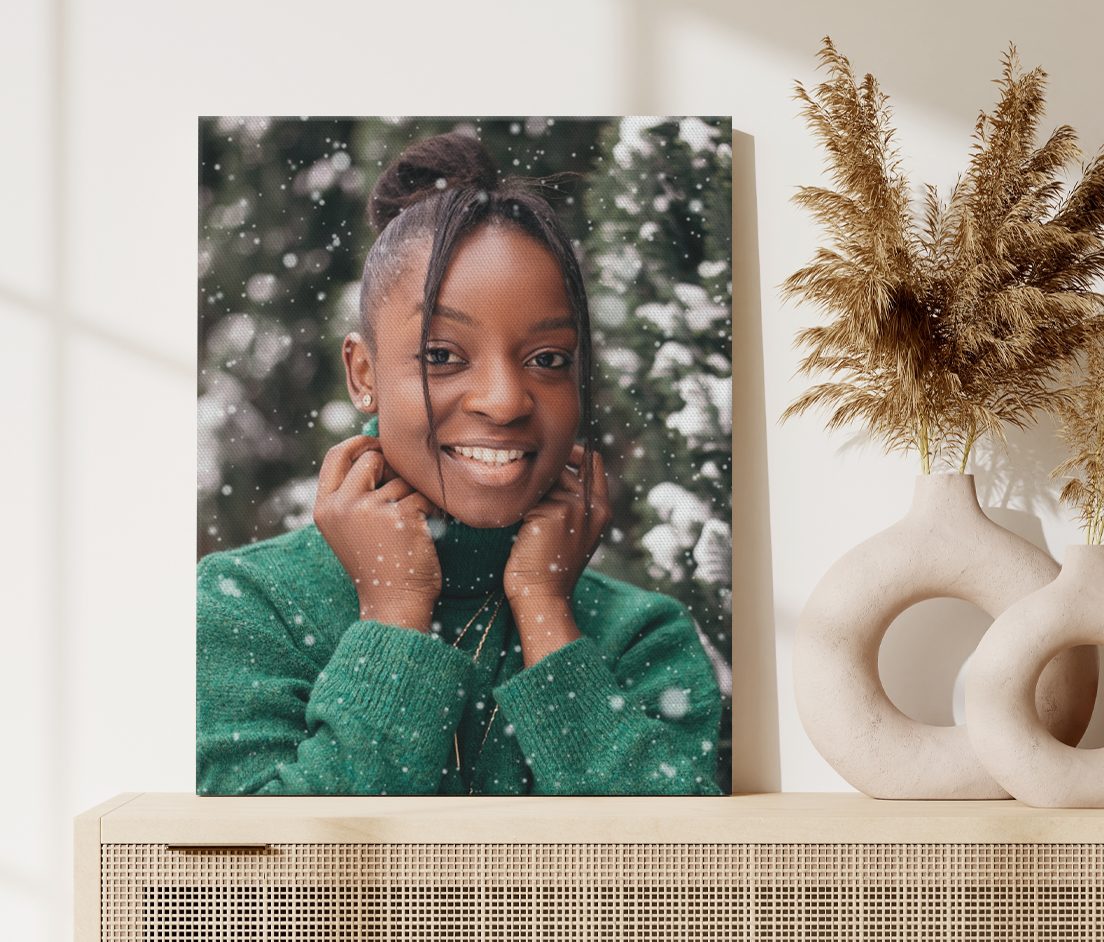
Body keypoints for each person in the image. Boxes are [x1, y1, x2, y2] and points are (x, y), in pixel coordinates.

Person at [196, 131, 724, 796]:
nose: (504, 402)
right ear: (363, 373)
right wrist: (392, 612)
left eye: (548, 360)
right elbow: (259, 893)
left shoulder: (640, 636)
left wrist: (545, 612)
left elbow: (675, 886)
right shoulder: (249, 607)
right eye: (442, 355)